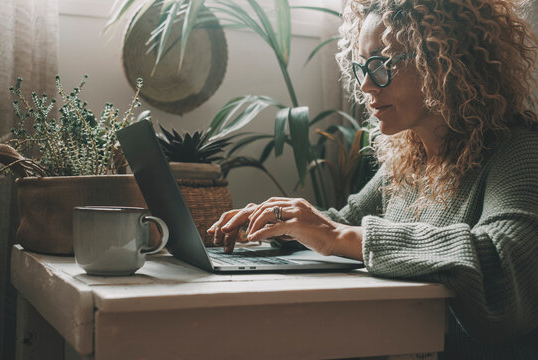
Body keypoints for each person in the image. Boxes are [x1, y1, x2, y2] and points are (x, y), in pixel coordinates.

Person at [207, 0, 538, 358]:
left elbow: (507, 263)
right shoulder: (409, 156)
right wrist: (277, 222)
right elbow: (344, 222)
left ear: (443, 61)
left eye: (381, 64)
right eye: (362, 66)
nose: (366, 84)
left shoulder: (519, 149)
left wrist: (336, 235)